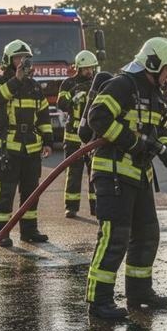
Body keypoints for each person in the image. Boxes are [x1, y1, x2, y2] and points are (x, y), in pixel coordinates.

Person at [85, 37, 167, 320]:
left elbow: (159, 132)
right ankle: (99, 301)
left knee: (147, 234)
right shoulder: (122, 86)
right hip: (113, 172)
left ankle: (139, 292)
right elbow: (98, 118)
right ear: (153, 63)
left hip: (139, 175)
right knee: (114, 237)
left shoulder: (154, 95)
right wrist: (135, 142)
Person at [0, 40, 53, 248]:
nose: (23, 61)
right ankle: (1, 233)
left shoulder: (34, 86)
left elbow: (43, 116)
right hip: (7, 148)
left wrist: (48, 141)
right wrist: (16, 79)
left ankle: (29, 231)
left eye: (26, 58)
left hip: (31, 148)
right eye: (18, 58)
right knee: (5, 193)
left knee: (31, 193)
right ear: (9, 61)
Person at [58, 50, 98, 219]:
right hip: (73, 137)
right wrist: (74, 95)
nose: (89, 71)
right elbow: (61, 103)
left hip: (92, 137)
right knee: (73, 174)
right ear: (79, 68)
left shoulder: (97, 83)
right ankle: (71, 207)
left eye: (91, 68)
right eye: (86, 68)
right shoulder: (68, 83)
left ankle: (96, 207)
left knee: (95, 173)